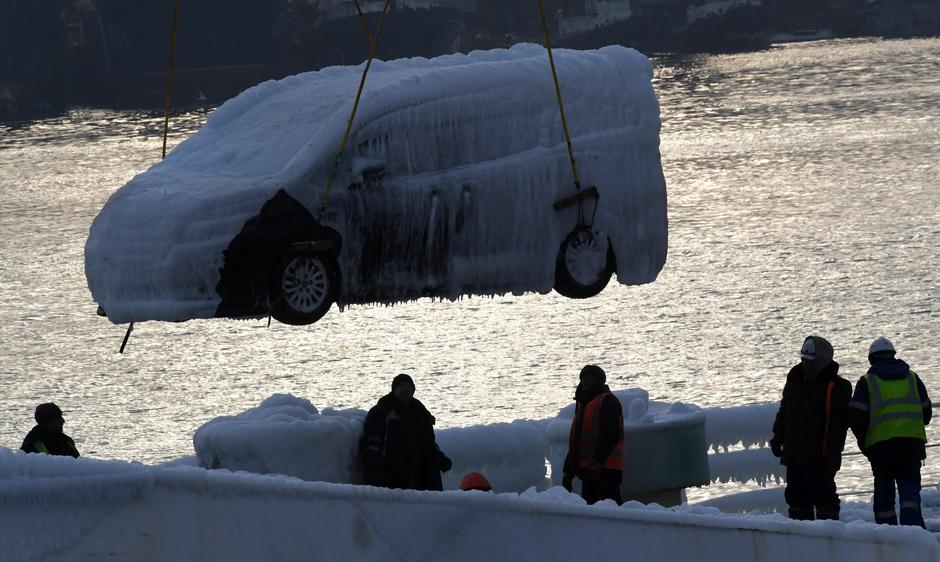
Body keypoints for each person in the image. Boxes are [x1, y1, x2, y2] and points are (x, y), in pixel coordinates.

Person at [848, 336, 931, 528]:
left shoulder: (867, 382)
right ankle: (914, 535)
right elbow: (926, 412)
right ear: (893, 356)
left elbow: (856, 418)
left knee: (884, 496)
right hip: (911, 446)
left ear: (871, 359)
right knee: (910, 495)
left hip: (881, 449)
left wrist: (865, 443)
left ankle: (888, 537)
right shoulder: (912, 378)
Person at [770, 336, 851, 520]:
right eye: (804, 360)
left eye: (810, 361)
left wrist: (832, 453)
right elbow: (785, 411)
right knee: (796, 498)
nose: (806, 365)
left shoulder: (837, 387)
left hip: (820, 455)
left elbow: (839, 425)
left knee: (825, 498)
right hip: (795, 454)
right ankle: (800, 539)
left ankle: (828, 538)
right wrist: (777, 437)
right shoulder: (794, 382)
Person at [359, 373, 452, 491]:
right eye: (402, 386)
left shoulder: (420, 412)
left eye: (409, 386)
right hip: (393, 474)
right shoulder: (382, 411)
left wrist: (440, 458)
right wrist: (373, 472)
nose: (406, 389)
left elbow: (428, 443)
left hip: (421, 474)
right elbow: (372, 443)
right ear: (394, 389)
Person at [562, 364, 624, 505]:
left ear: (599, 381)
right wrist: (568, 471)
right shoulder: (583, 404)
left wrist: (597, 461)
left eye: (590, 377)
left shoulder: (608, 401)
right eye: (583, 377)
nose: (585, 380)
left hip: (607, 470)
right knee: (592, 511)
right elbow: (576, 441)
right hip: (588, 471)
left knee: (611, 510)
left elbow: (612, 435)